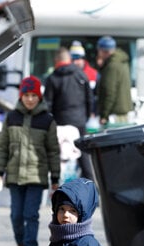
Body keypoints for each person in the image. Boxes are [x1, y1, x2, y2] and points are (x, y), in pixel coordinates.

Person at [0, 75, 60, 246]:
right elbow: (2, 146)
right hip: (14, 176)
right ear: (21, 96)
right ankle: (21, 244)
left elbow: (53, 151)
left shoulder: (47, 120)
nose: (30, 99)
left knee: (31, 215)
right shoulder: (11, 117)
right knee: (16, 216)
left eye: (34, 95)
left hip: (37, 176)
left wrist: (55, 178)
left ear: (39, 97)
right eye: (26, 95)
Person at [43, 47, 94, 182]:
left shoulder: (52, 78)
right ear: (69, 59)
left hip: (61, 122)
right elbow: (90, 99)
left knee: (60, 155)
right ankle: (90, 182)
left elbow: (47, 104)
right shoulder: (81, 75)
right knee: (83, 154)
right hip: (79, 121)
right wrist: (86, 116)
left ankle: (59, 185)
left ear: (56, 60)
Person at [95, 36, 133, 126]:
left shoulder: (112, 66)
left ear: (103, 51)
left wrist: (104, 115)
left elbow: (109, 92)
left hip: (114, 114)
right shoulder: (122, 62)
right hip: (123, 111)